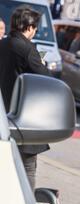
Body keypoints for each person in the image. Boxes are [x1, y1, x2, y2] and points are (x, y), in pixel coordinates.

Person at [0, 7, 51, 191]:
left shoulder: (3, 44)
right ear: (29, 27)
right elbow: (46, 79)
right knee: (28, 168)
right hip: (23, 119)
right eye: (35, 28)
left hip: (2, 114)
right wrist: (43, 64)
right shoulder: (27, 49)